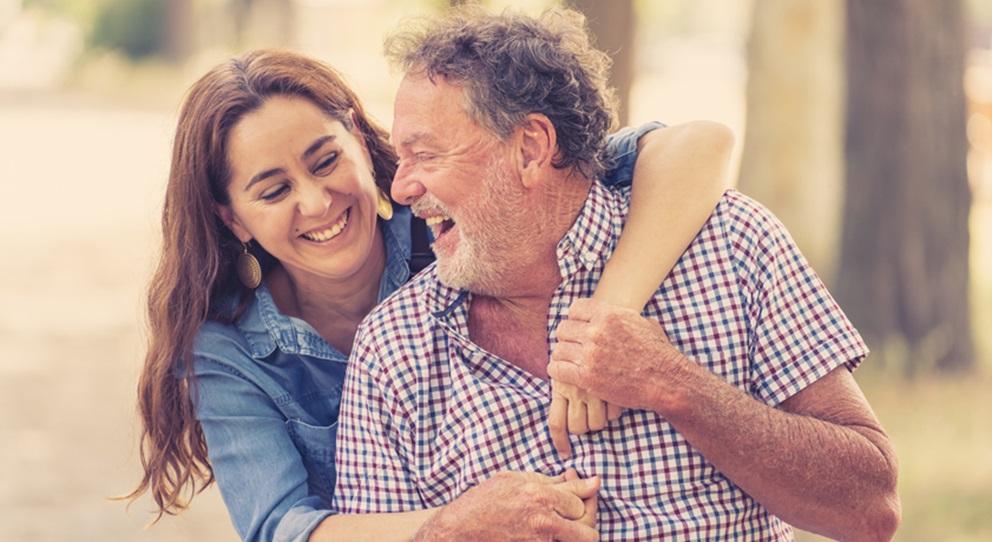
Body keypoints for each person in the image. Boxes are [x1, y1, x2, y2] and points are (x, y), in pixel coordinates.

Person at [334, 7, 901, 541]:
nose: (402, 188)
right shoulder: (394, 347)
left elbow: (871, 509)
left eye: (426, 156)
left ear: (531, 148)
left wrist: (674, 385)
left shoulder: (730, 244)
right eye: (399, 159)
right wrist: (451, 530)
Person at [124, 48, 734, 541]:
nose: (316, 202)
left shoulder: (451, 222)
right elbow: (280, 529)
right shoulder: (227, 352)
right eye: (274, 191)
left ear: (362, 142)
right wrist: (459, 526)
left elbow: (698, 144)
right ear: (233, 220)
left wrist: (604, 320)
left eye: (325, 160)